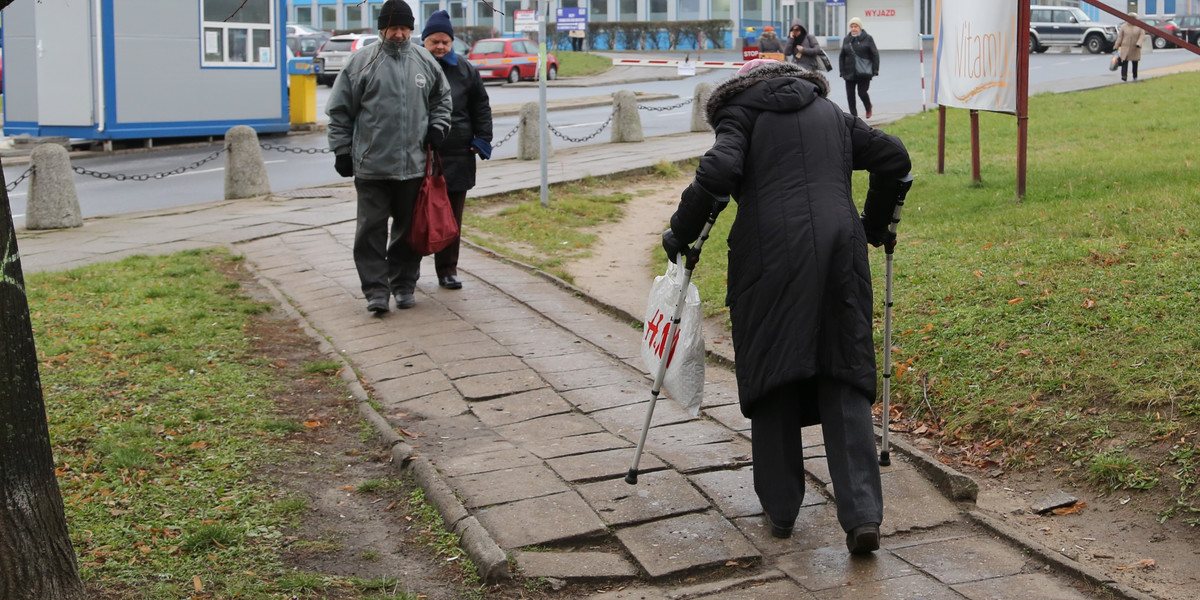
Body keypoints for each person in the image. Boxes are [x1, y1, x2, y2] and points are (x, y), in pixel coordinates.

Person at [660, 59, 912, 554]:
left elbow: (719, 169)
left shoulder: (740, 113)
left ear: (741, 86)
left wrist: (680, 231)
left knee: (773, 369)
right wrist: (876, 223)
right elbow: (893, 156)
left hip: (767, 254)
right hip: (841, 250)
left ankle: (781, 509)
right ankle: (862, 515)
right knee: (844, 370)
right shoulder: (831, 112)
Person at [327, 0, 452, 313]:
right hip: (371, 167)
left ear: (411, 29)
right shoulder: (361, 63)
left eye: (403, 28)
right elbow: (340, 111)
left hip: (413, 166)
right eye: (392, 27)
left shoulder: (424, 61)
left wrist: (438, 128)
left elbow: (442, 100)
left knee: (408, 231)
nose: (398, 34)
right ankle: (375, 292)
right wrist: (342, 150)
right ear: (381, 28)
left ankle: (403, 284)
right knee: (370, 232)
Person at [421, 11, 494, 290]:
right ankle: (408, 272)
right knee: (414, 215)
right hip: (421, 153)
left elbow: (481, 107)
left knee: (452, 217)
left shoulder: (465, 69)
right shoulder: (414, 65)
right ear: (424, 41)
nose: (440, 46)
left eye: (445, 42)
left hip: (458, 153)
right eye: (434, 41)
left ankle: (447, 270)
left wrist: (481, 139)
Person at [838, 17, 879, 119]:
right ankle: (854, 117)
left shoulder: (868, 38)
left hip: (864, 72)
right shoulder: (847, 39)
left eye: (855, 26)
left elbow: (875, 54)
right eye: (851, 26)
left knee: (862, 93)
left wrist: (875, 69)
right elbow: (842, 56)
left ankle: (868, 106)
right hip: (849, 72)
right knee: (850, 95)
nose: (853, 28)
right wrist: (842, 71)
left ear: (860, 27)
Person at [1114, 12, 1145, 82]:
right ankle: (1124, 76)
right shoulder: (1124, 27)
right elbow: (1120, 37)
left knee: (1135, 63)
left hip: (1135, 48)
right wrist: (1116, 45)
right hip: (1125, 47)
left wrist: (1138, 44)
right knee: (1124, 62)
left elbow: (1142, 36)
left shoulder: (1139, 27)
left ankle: (1135, 76)